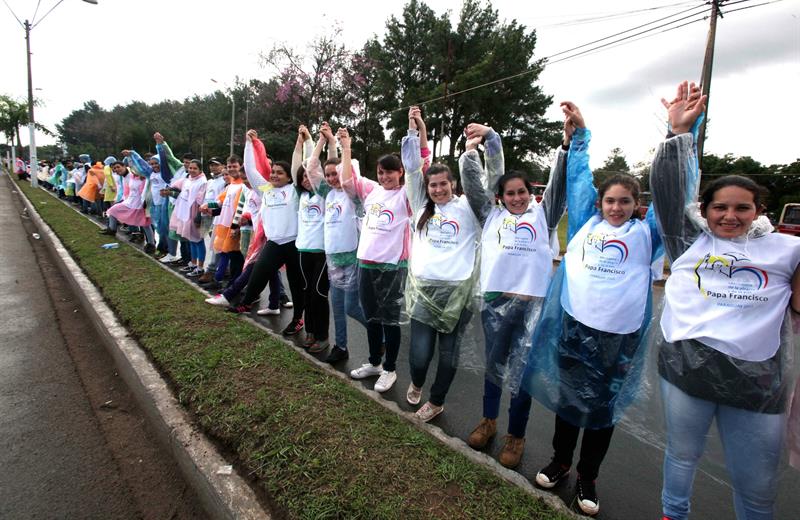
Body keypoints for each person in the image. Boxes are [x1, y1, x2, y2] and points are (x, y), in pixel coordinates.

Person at [651, 81, 800, 520]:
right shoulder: (688, 243)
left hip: (757, 386)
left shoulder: (786, 252)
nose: (730, 216)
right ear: (705, 210)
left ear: (758, 210)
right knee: (681, 457)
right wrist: (678, 135)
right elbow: (666, 191)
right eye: (720, 208)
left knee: (755, 485)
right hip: (687, 371)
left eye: (742, 207)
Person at [523, 102, 663, 516]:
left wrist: (679, 139)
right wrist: (580, 138)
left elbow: (672, 191)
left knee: (602, 412)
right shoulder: (587, 223)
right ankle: (561, 461)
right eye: (610, 201)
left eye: (625, 202)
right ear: (601, 204)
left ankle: (588, 476)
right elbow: (580, 181)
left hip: (618, 341)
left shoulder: (646, 235)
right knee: (569, 403)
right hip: (573, 330)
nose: (616, 208)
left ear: (638, 205)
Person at [460, 121, 567, 469]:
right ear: (501, 197)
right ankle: (488, 420)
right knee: (494, 368)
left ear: (530, 193)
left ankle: (516, 435)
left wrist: (565, 149)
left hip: (531, 308)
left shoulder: (543, 216)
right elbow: (472, 184)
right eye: (510, 193)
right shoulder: (490, 216)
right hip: (494, 304)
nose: (517, 197)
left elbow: (559, 187)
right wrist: (475, 148)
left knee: (522, 374)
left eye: (522, 191)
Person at [402, 106, 480, 422]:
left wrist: (472, 149)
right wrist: (415, 128)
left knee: (448, 354)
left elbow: (480, 182)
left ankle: (436, 401)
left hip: (456, 295)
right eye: (432, 184)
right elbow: (411, 168)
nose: (437, 189)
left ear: (453, 184)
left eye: (443, 184)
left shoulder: (468, 209)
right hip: (423, 291)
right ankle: (418, 381)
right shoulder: (422, 206)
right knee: (420, 354)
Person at [340, 127, 411, 394]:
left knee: (390, 320)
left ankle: (390, 368)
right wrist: (346, 146)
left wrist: (415, 131)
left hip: (392, 266)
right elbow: (348, 181)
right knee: (372, 318)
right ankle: (374, 362)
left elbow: (419, 170)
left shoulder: (406, 195)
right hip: (366, 263)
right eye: (381, 172)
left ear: (400, 172)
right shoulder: (373, 191)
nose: (384, 177)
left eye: (389, 172)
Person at [227, 130, 306, 337]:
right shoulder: (266, 189)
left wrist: (299, 142)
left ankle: (298, 319)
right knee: (258, 272)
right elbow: (251, 169)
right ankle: (245, 303)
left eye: (280, 172)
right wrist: (247, 143)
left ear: (289, 177)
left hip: (294, 244)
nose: (274, 175)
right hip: (273, 243)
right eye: (273, 171)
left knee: (297, 284)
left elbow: (298, 164)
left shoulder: (294, 190)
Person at [305, 124, 368, 364]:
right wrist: (322, 141)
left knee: (352, 307)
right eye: (329, 175)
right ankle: (341, 347)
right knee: (338, 307)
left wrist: (344, 145)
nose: (332, 179)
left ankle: (379, 331)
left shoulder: (352, 193)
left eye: (335, 174)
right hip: (333, 258)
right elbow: (311, 168)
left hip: (352, 257)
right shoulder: (327, 193)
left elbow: (349, 175)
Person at [289, 124, 334, 352]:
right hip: (302, 251)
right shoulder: (301, 195)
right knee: (306, 292)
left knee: (318, 293)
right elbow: (298, 165)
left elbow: (323, 166)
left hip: (322, 252)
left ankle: (322, 335)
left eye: (310, 176)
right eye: (303, 176)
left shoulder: (325, 193)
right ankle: (309, 331)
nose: (307, 179)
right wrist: (300, 142)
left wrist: (324, 142)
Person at [201, 155, 246, 290]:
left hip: (235, 227)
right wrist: (208, 207)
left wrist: (236, 226)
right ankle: (221, 281)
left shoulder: (243, 185)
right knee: (225, 254)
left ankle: (235, 286)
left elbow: (242, 208)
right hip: (224, 225)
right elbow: (221, 201)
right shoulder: (231, 184)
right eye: (229, 167)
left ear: (240, 167)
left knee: (236, 259)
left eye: (235, 166)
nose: (232, 169)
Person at [100, 157, 157, 254]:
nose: (133, 170)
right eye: (132, 168)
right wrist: (122, 200)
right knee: (113, 210)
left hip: (141, 204)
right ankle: (112, 229)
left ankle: (151, 244)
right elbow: (127, 190)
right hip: (130, 202)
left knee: (145, 224)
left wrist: (146, 203)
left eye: (135, 169)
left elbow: (147, 191)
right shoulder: (131, 177)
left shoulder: (145, 178)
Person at [164, 159, 208, 276]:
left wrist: (198, 217)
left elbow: (201, 201)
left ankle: (200, 267)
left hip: (195, 213)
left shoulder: (202, 182)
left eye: (195, 168)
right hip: (186, 213)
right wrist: (169, 190)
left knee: (198, 240)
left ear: (200, 170)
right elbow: (176, 186)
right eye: (190, 168)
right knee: (191, 240)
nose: (192, 170)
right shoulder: (188, 179)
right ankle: (193, 264)